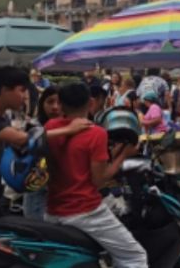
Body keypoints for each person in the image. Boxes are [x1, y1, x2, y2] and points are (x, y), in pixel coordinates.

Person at [45, 83, 147, 267]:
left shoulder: (52, 127)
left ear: (59, 103)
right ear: (91, 102)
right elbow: (99, 180)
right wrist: (124, 154)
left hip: (53, 210)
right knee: (135, 257)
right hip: (84, 211)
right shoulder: (95, 134)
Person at [0, 68, 91, 221]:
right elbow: (22, 139)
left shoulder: (0, 117)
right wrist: (68, 129)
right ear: (4, 90)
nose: (25, 96)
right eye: (21, 90)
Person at [23, 85, 62, 220]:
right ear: (42, 104)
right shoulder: (33, 126)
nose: (55, 107)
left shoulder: (72, 126)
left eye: (59, 102)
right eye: (50, 102)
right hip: (37, 191)